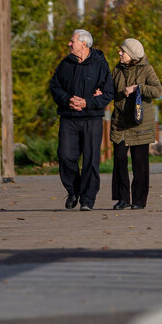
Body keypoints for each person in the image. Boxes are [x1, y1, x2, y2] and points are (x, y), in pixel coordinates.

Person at [49, 29, 114, 211]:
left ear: (84, 44)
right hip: (69, 118)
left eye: (72, 41)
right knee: (65, 156)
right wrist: (68, 100)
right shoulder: (65, 64)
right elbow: (55, 87)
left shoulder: (100, 64)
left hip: (91, 119)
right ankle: (74, 190)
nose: (69, 44)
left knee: (91, 160)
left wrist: (87, 102)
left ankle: (87, 199)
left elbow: (108, 93)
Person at [110, 38, 162, 210]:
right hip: (121, 122)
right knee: (119, 158)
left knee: (139, 163)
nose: (119, 53)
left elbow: (157, 90)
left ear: (132, 55)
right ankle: (122, 198)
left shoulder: (147, 69)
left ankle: (139, 200)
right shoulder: (117, 69)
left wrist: (137, 88)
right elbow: (110, 89)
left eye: (122, 51)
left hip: (139, 123)